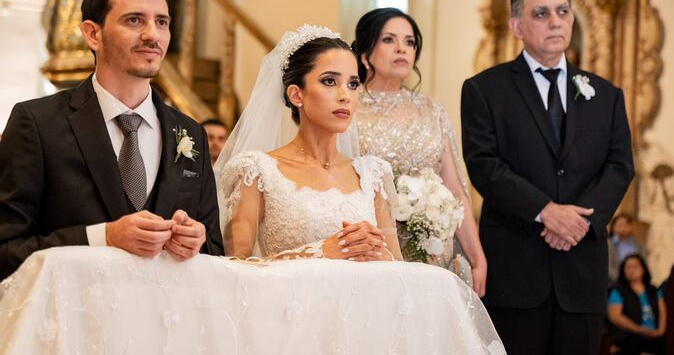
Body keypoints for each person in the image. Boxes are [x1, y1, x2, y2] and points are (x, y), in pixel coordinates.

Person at [212, 25, 503, 349]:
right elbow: (235, 274)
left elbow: (397, 275)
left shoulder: (373, 175)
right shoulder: (258, 170)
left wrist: (380, 254)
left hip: (366, 333)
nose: (345, 95)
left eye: (352, 84)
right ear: (296, 95)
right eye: (329, 81)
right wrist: (321, 252)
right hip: (292, 332)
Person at [0, 0, 224, 288]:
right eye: (134, 20)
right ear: (93, 34)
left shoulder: (190, 133)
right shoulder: (37, 123)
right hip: (72, 326)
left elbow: (216, 254)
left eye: (161, 22)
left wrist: (198, 242)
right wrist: (102, 237)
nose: (152, 34)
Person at [461, 0, 634, 355]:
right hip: (517, 270)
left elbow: (620, 165)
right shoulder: (485, 90)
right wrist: (545, 212)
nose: (555, 21)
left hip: (582, 272)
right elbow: (483, 164)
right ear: (517, 26)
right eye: (541, 13)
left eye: (562, 11)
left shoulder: (606, 94)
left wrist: (581, 221)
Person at [352, 7, 487, 295]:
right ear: (365, 53)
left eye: (409, 41)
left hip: (432, 252)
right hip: (371, 249)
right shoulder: (349, 109)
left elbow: (455, 189)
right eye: (389, 40)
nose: (401, 48)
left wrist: (477, 256)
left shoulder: (432, 110)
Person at [607, 255, 666, 354]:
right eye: (628, 267)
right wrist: (640, 330)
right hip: (629, 336)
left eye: (635, 266)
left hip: (654, 336)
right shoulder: (618, 291)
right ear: (623, 271)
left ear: (643, 269)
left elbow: (663, 312)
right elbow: (615, 317)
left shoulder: (654, 290)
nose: (632, 270)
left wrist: (660, 331)